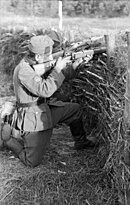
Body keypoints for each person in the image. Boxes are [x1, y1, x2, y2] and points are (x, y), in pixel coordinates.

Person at [0, 34, 96, 167]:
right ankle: (8, 139)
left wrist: (76, 64)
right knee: (32, 162)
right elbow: (46, 89)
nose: (51, 58)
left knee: (74, 110)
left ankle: (81, 141)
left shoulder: (36, 63)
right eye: (49, 55)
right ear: (38, 56)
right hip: (33, 118)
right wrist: (57, 68)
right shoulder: (24, 70)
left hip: (44, 109)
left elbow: (60, 76)